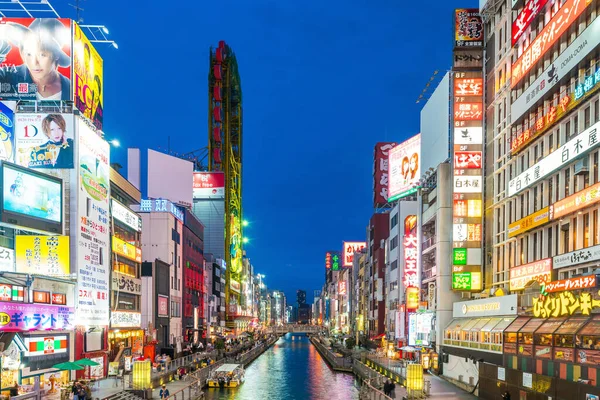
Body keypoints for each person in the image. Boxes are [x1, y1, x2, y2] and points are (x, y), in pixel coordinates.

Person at [0, 18, 71, 100]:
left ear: (56, 55)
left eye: (42, 55)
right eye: (29, 54)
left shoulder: (70, 88)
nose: (34, 62)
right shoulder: (8, 76)